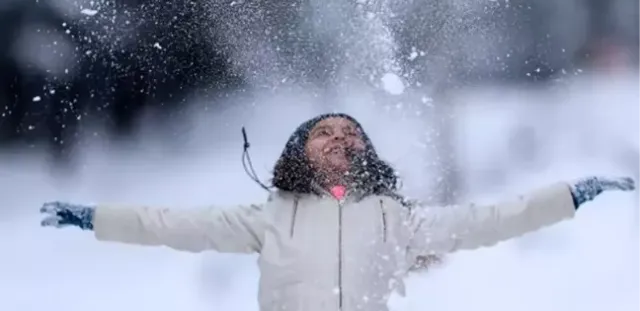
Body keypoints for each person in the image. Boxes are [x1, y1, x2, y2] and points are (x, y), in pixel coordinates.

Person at [40, 113, 635, 311]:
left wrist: (570, 195)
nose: (339, 138)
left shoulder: (395, 218)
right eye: (323, 131)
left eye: (351, 132)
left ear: (366, 151)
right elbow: (170, 224)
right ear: (298, 151)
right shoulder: (268, 216)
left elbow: (489, 219)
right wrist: (94, 217)